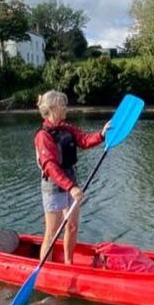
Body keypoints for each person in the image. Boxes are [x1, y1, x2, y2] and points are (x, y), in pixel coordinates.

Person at [35, 90, 110, 265]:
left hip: (70, 181)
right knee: (52, 232)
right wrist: (72, 187)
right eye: (63, 105)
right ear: (53, 108)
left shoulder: (66, 128)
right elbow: (50, 167)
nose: (66, 108)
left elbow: (84, 140)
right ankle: (46, 267)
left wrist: (102, 134)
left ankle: (68, 263)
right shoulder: (43, 135)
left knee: (72, 226)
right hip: (54, 187)